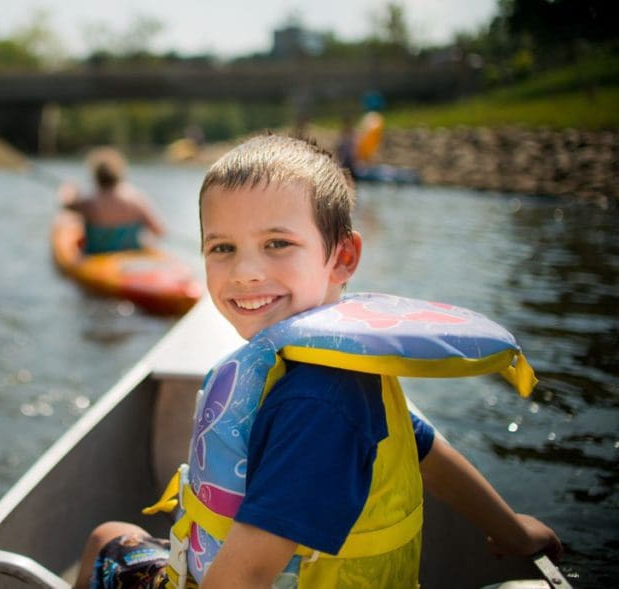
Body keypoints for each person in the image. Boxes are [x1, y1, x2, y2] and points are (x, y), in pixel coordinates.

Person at [74, 133, 561, 589]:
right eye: (222, 248)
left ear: (343, 257)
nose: (245, 272)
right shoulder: (336, 367)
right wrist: (513, 532)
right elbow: (424, 450)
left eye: (277, 244)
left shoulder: (316, 403)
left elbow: (240, 580)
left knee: (106, 541)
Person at [59, 146, 165, 254]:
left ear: (96, 176)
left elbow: (66, 205)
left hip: (96, 256)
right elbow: (159, 231)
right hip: (129, 255)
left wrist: (68, 190)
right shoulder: (136, 200)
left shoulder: (88, 202)